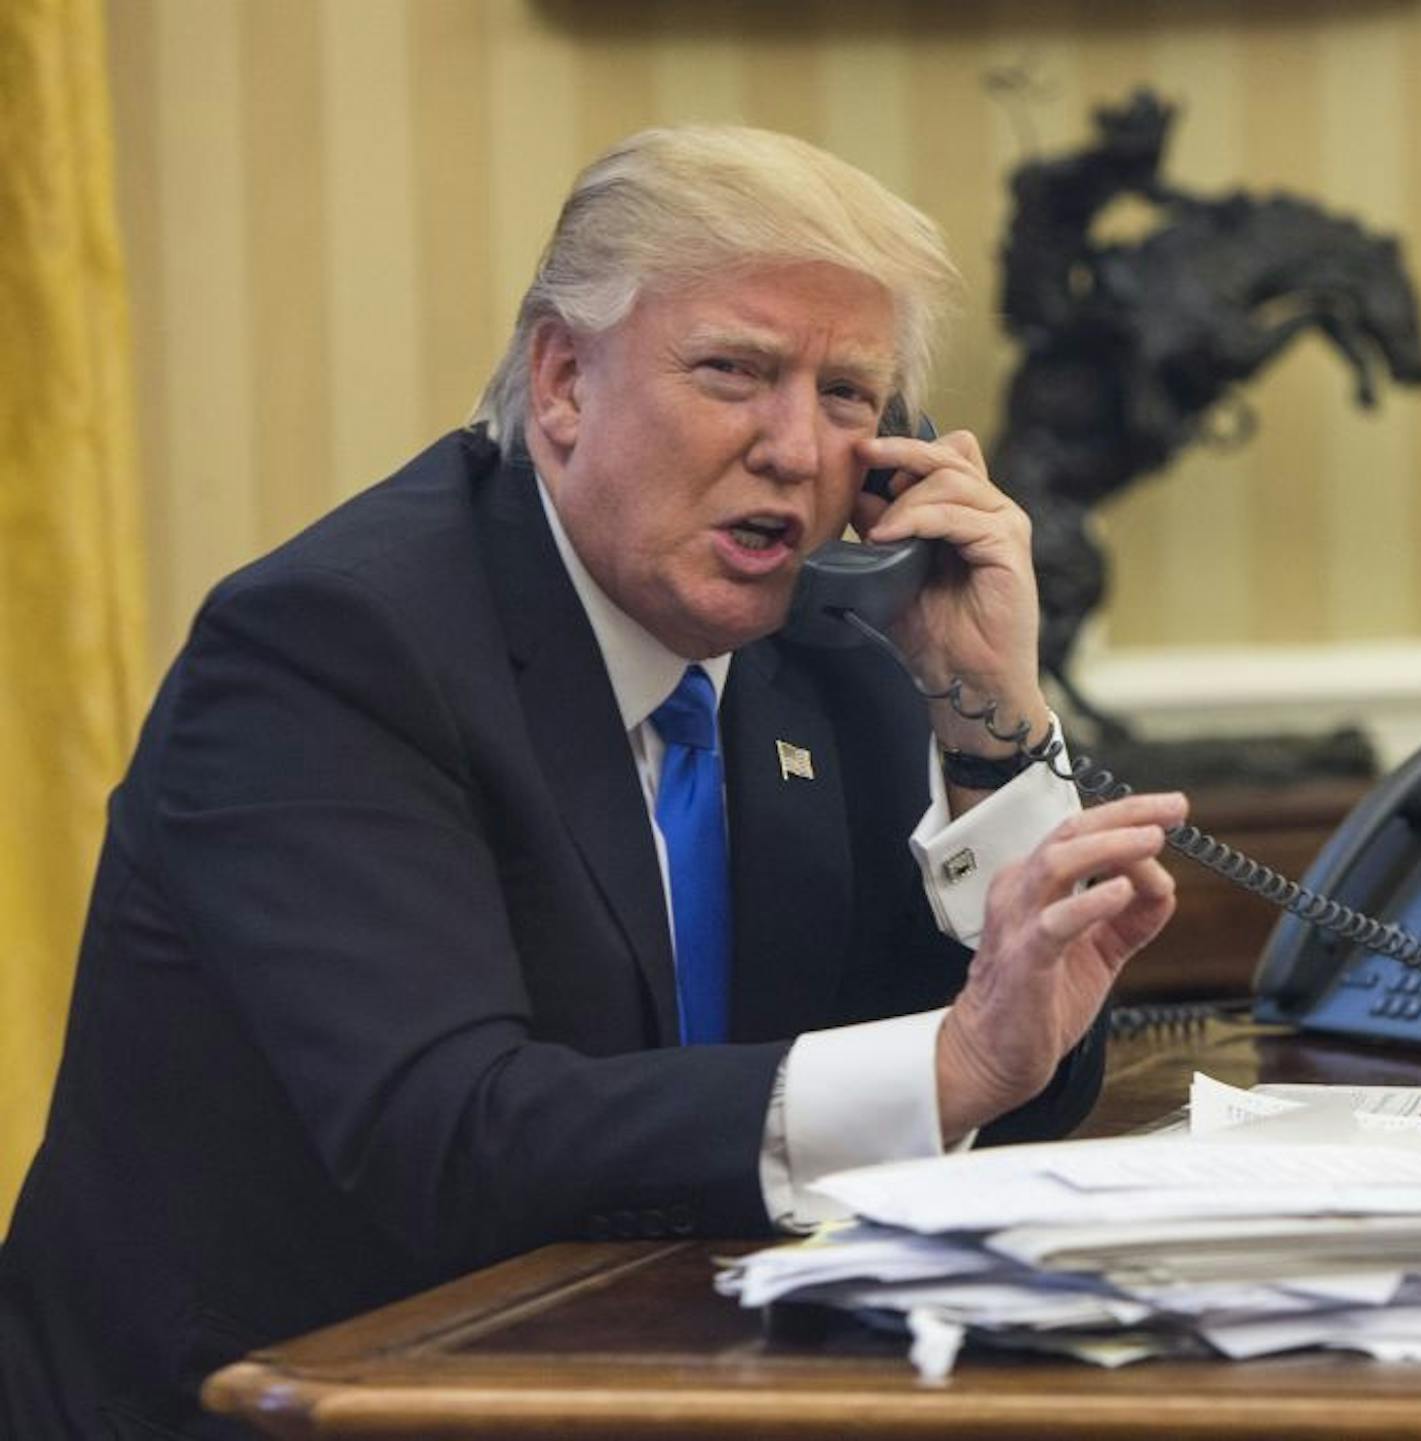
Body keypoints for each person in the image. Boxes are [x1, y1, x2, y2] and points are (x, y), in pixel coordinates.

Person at [0, 126, 1185, 1439]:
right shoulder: (330, 648)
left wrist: (992, 719)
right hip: (277, 1407)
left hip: (648, 1380)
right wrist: (951, 1064)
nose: (796, 448)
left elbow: (1019, 1086)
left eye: (849, 397)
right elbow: (451, 1134)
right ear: (563, 381)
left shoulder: (832, 655)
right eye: (736, 372)